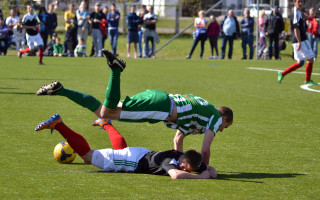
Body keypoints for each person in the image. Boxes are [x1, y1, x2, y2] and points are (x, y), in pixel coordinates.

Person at [36, 49, 233, 165]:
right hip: (161, 107)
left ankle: (61, 90)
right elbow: (205, 150)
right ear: (224, 119)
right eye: (225, 127)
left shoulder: (201, 112)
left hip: (160, 102)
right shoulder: (215, 117)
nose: (221, 130)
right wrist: (204, 168)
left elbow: (178, 137)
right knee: (106, 113)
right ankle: (116, 70)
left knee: (102, 111)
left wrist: (178, 159)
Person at [35, 114, 217, 179]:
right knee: (87, 156)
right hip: (133, 160)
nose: (186, 169)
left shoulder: (186, 157)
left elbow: (212, 170)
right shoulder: (171, 162)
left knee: (120, 151)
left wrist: (207, 169)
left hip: (140, 154)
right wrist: (201, 177)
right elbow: (176, 175)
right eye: (186, 167)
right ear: (183, 160)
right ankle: (59, 124)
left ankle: (106, 123)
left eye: (190, 170)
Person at [278, 0, 317, 85]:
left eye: (301, 2)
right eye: (298, 2)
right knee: (311, 58)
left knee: (301, 62)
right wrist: (299, 42)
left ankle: (282, 73)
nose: (300, 3)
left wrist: (305, 17)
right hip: (301, 39)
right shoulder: (295, 12)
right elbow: (296, 28)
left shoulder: (296, 12)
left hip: (296, 40)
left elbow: (299, 20)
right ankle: (307, 80)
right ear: (294, 2)